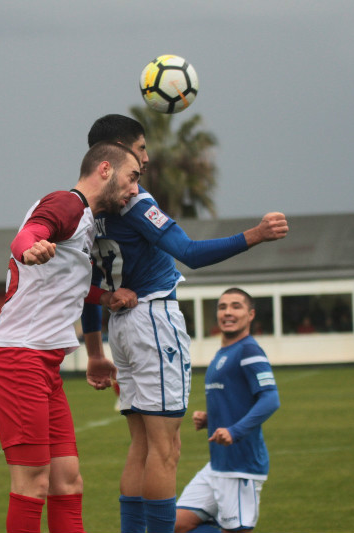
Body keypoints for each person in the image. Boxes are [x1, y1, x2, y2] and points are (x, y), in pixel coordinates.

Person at [81, 114, 289, 533]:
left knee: (141, 447)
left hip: (120, 327)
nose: (146, 158)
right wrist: (256, 235)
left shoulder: (88, 211)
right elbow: (189, 252)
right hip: (152, 321)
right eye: (140, 149)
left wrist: (94, 351)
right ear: (117, 155)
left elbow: (84, 283)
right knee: (166, 449)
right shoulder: (135, 202)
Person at [0, 141, 142, 533]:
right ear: (105, 169)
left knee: (67, 480)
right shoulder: (68, 204)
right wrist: (28, 249)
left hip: (42, 363)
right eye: (132, 176)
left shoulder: (83, 220)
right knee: (32, 484)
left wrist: (104, 296)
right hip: (18, 358)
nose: (135, 188)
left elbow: (64, 282)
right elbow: (31, 233)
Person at [175, 288, 280, 533]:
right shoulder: (223, 353)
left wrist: (234, 430)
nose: (228, 312)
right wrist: (212, 419)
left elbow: (270, 398)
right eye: (222, 307)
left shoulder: (249, 350)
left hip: (241, 467)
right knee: (176, 524)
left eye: (236, 306)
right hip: (217, 465)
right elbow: (238, 401)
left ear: (250, 314)